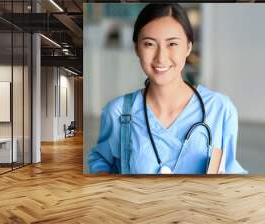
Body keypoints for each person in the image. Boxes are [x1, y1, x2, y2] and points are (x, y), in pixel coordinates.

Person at [88, 3, 247, 174]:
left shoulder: (220, 109)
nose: (161, 57)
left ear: (188, 47)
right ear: (136, 49)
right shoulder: (117, 112)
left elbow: (231, 170)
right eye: (149, 44)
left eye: (172, 44)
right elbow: (101, 161)